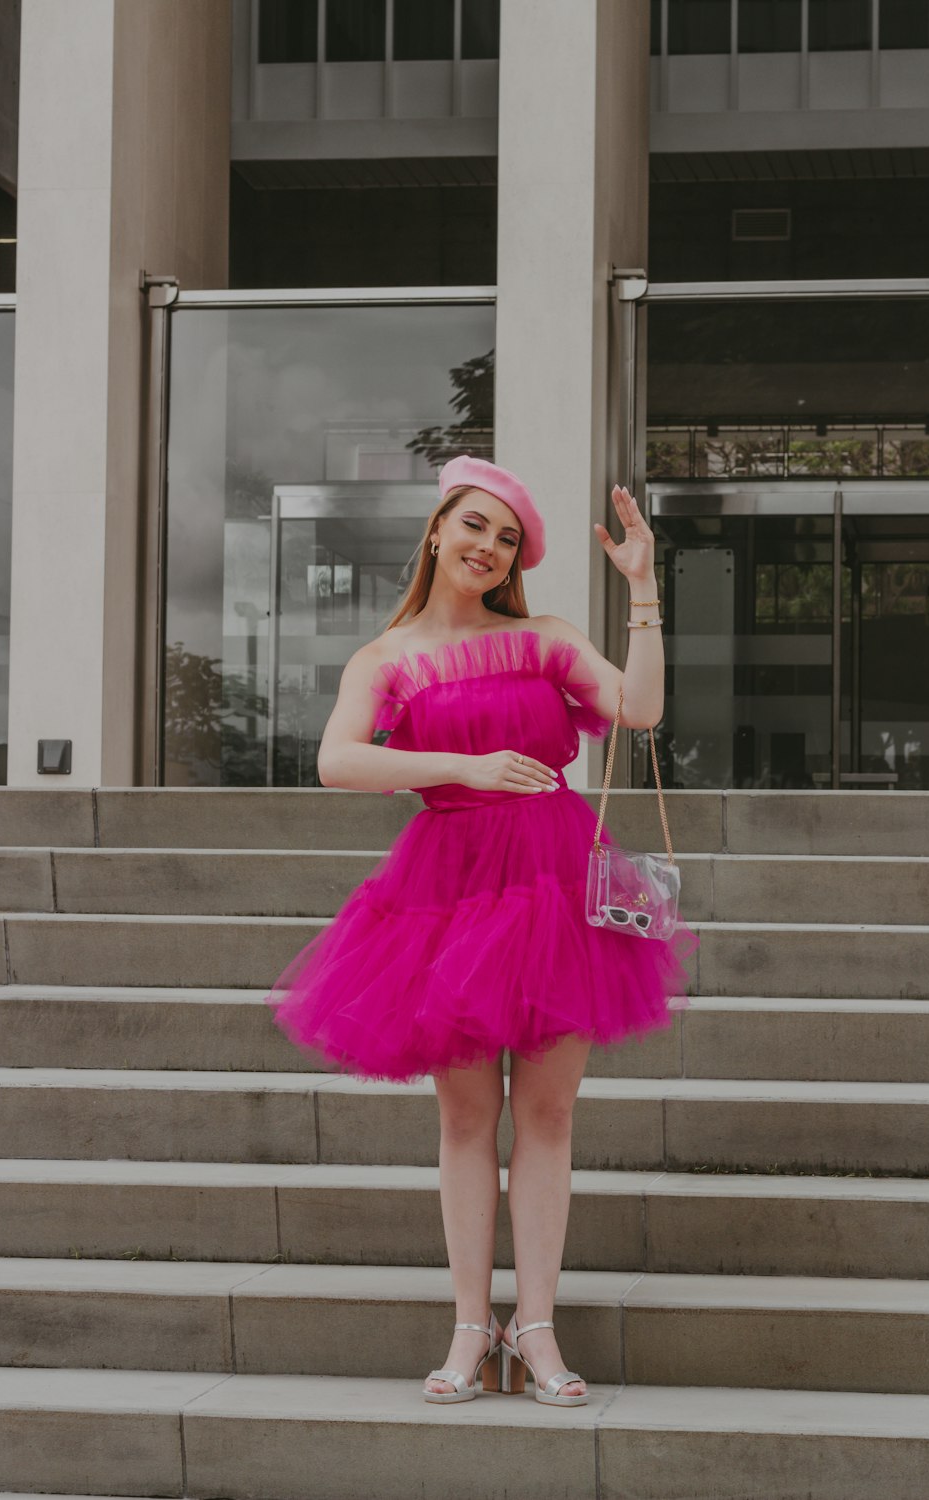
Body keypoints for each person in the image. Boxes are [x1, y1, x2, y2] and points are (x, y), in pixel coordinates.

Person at [266, 454, 699, 1407]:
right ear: (436, 531)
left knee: (547, 1114)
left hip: (552, 877)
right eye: (474, 525)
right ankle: (472, 1326)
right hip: (449, 886)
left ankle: (534, 1327)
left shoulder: (543, 635)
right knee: (465, 1117)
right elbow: (338, 761)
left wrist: (643, 590)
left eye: (506, 538)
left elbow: (642, 708)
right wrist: (462, 767)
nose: (488, 547)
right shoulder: (384, 658)